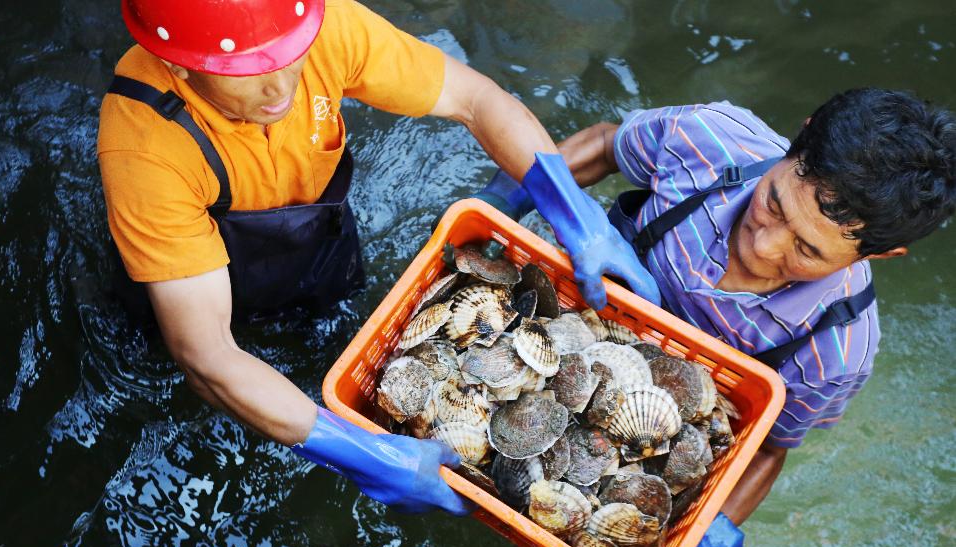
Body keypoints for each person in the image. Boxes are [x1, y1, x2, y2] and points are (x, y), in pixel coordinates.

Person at [97, 0, 659, 517]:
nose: (280, 87)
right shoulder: (144, 146)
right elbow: (206, 355)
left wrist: (577, 218)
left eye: (289, 55)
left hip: (320, 249)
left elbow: (475, 99)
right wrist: (360, 454)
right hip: (189, 293)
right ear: (179, 66)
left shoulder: (314, 25)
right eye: (244, 72)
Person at [477, 88, 956, 547]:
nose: (764, 246)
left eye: (808, 250)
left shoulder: (836, 349)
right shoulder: (706, 139)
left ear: (881, 254)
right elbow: (608, 145)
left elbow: (768, 448)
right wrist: (503, 203)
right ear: (801, 135)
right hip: (571, 319)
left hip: (662, 424)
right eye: (774, 201)